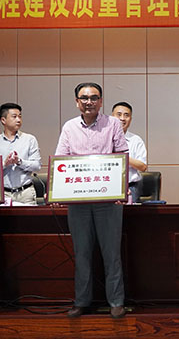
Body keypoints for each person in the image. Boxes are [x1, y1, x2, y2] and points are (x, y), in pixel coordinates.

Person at [55, 82, 129, 319]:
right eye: (84, 98)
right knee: (82, 253)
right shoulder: (69, 127)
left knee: (112, 253)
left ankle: (116, 301)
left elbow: (122, 157)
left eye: (94, 98)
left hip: (109, 201)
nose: (89, 102)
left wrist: (122, 191)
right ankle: (81, 301)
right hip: (78, 202)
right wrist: (57, 191)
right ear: (77, 101)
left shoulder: (113, 124)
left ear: (101, 101)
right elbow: (61, 160)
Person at [0, 103, 42, 205]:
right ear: (3, 120)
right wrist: (5, 164)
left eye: (20, 116)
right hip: (3, 193)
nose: (18, 120)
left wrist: (19, 162)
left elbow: (37, 166)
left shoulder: (30, 139)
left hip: (26, 193)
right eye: (14, 117)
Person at [111, 102, 148, 203]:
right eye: (119, 114)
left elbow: (143, 167)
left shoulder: (136, 140)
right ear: (112, 118)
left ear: (130, 119)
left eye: (126, 115)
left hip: (131, 186)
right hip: (107, 185)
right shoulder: (104, 138)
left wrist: (122, 157)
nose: (122, 118)